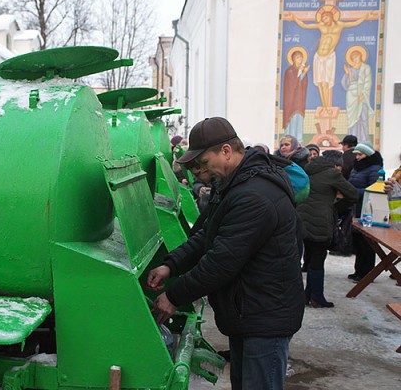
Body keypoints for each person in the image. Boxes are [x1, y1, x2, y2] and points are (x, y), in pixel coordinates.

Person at [147, 117, 304, 390]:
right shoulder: (236, 185)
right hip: (250, 311)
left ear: (227, 152)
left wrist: (174, 296)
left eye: (204, 163)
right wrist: (171, 266)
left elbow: (221, 261)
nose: (200, 172)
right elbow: (206, 237)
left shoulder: (254, 195)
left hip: (264, 317)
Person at [297, 156, 358, 307]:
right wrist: (336, 208)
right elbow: (353, 195)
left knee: (310, 258)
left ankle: (307, 296)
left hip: (302, 219)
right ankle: (317, 297)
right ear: (336, 165)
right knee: (318, 259)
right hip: (321, 221)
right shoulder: (332, 174)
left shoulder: (306, 171)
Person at [290, 7, 371, 114]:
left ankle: (327, 106)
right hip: (318, 57)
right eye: (322, 18)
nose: (323, 20)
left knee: (326, 84)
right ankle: (324, 107)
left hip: (329, 57)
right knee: (320, 83)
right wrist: (294, 17)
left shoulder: (340, 25)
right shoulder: (321, 26)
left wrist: (366, 15)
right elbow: (305, 25)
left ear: (331, 17)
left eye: (325, 18)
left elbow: (355, 23)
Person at [347, 141, 383, 282]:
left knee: (367, 242)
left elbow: (374, 190)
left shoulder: (374, 169)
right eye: (356, 154)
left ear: (367, 154)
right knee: (357, 240)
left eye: (360, 154)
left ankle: (367, 273)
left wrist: (352, 192)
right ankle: (358, 271)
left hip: (367, 209)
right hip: (356, 207)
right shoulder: (358, 167)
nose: (357, 157)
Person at [341, 46, 373, 143]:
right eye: (353, 57)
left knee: (363, 116)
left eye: (357, 56)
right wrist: (347, 73)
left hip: (362, 95)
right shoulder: (350, 69)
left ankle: (363, 139)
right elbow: (345, 83)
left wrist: (362, 94)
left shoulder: (365, 68)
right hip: (351, 95)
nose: (355, 59)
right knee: (353, 118)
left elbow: (368, 82)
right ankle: (352, 138)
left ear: (361, 57)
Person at [282, 48, 310, 141]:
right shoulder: (289, 71)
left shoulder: (301, 71)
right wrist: (301, 73)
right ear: (293, 59)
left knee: (299, 117)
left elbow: (303, 84)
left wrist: (303, 74)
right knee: (292, 119)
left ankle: (298, 138)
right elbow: (292, 85)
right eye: (298, 58)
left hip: (299, 99)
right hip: (291, 101)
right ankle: (289, 137)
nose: (300, 60)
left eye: (301, 58)